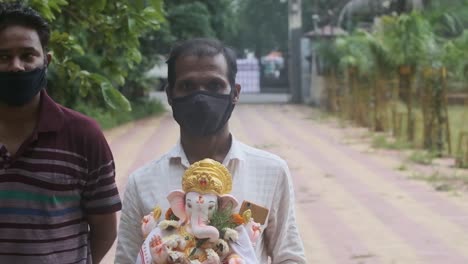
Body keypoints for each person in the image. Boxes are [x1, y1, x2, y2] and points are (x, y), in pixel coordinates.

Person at [115, 38, 306, 263]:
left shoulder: (271, 172)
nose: (201, 97)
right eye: (188, 86)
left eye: (214, 85)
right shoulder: (142, 182)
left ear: (235, 92)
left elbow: (289, 256)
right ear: (170, 95)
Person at [0, 3, 121, 263]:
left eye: (27, 55)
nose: (16, 67)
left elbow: (105, 230)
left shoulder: (84, 135)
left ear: (47, 60)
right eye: (4, 57)